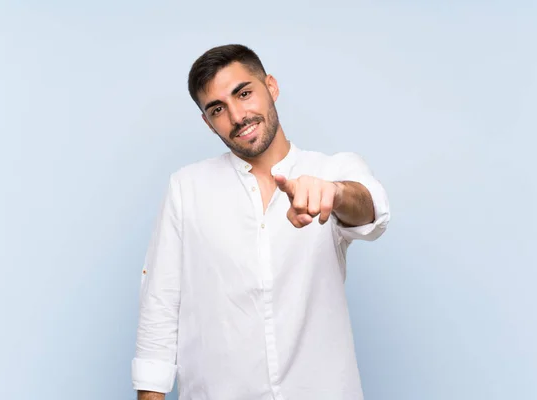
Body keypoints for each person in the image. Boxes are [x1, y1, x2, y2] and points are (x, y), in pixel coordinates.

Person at [132, 44, 391, 400]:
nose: (238, 116)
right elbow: (159, 306)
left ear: (271, 87)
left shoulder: (333, 170)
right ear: (208, 123)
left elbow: (371, 211)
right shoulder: (186, 188)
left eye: (244, 93)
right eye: (218, 109)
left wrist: (335, 193)